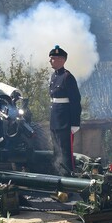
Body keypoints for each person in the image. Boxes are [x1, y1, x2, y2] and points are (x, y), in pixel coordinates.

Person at [48, 45, 82, 176]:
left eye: (53, 58)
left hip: (65, 121)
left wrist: (75, 123)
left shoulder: (68, 77)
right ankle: (58, 179)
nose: (50, 61)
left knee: (65, 153)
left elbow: (75, 101)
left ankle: (68, 180)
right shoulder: (53, 76)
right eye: (50, 58)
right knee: (57, 152)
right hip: (55, 120)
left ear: (62, 60)